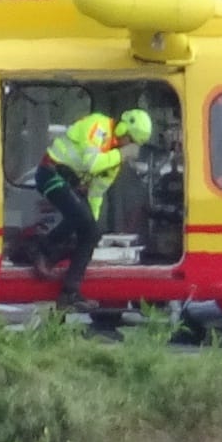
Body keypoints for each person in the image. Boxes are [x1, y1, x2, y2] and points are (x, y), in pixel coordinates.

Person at [32, 108, 152, 310]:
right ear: (123, 129)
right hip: (51, 172)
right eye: (130, 141)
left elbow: (95, 194)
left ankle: (70, 292)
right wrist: (121, 153)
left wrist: (91, 229)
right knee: (80, 217)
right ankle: (39, 249)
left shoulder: (115, 160)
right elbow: (92, 163)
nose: (130, 148)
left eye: (133, 145)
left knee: (91, 231)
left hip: (69, 183)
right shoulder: (99, 127)